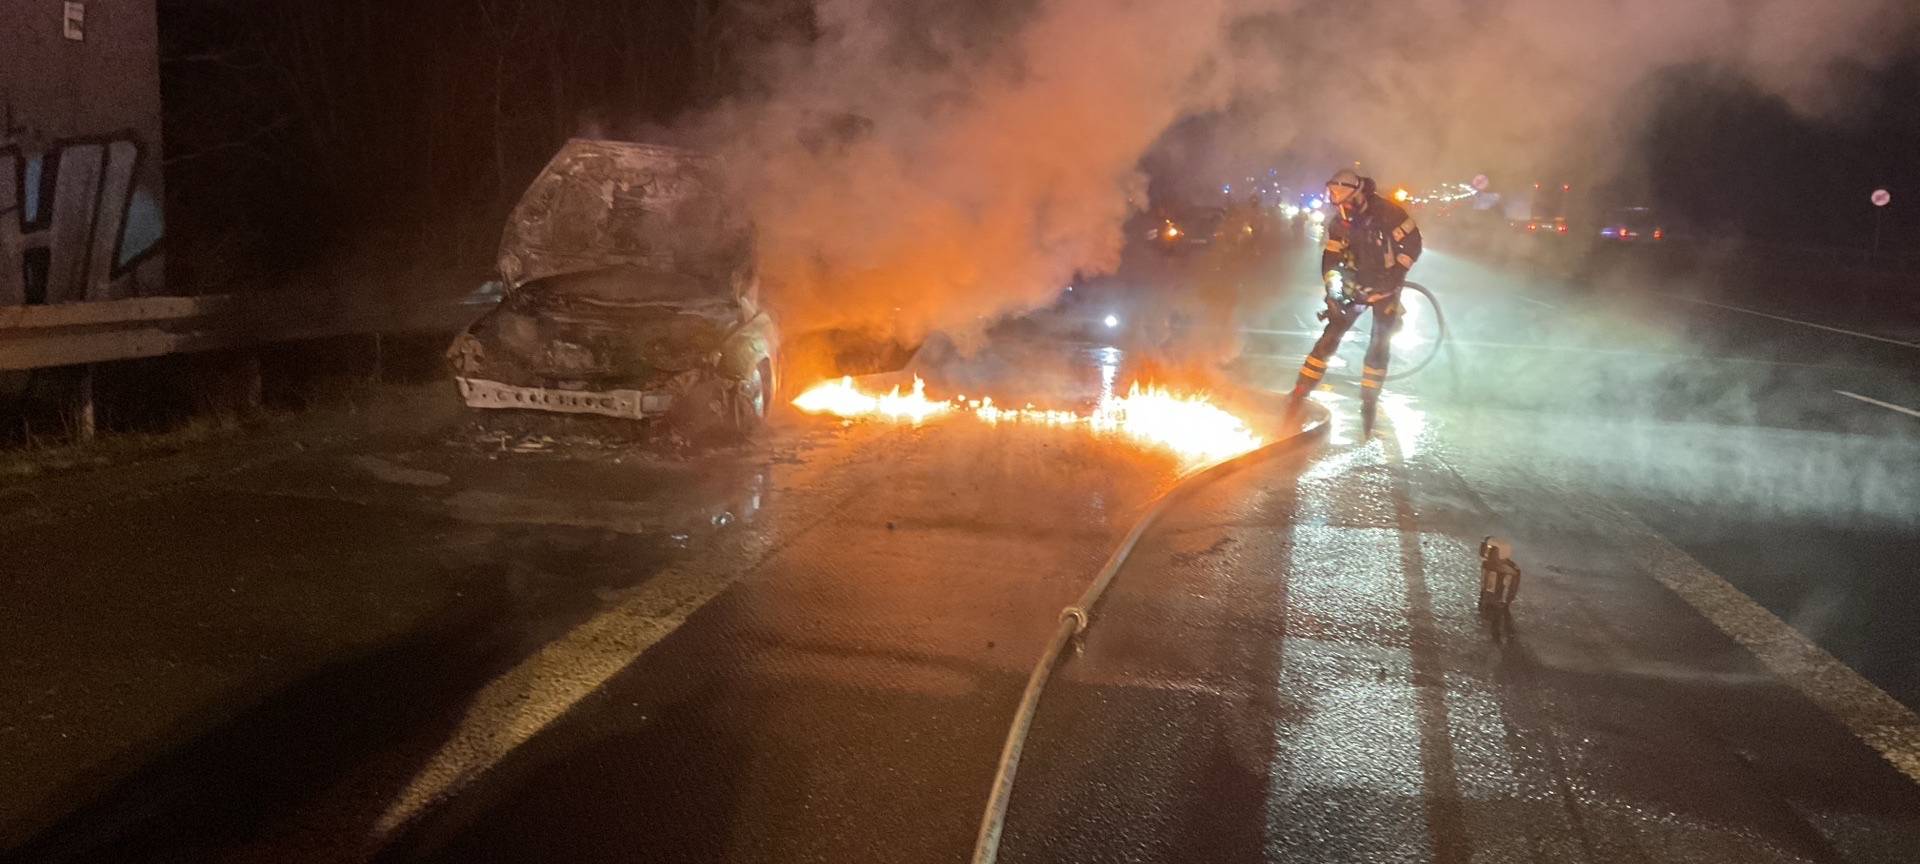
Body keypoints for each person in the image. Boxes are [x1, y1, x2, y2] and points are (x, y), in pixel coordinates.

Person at [1285, 168, 1423, 435]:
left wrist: (1394, 277)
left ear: (1357, 193)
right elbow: (1331, 258)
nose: (1343, 208)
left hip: (1385, 289)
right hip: (1353, 288)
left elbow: (1413, 244)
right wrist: (1334, 292)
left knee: (1379, 343)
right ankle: (1299, 393)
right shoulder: (1340, 222)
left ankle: (1369, 403)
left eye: (1346, 202)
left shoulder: (1389, 214)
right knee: (1329, 338)